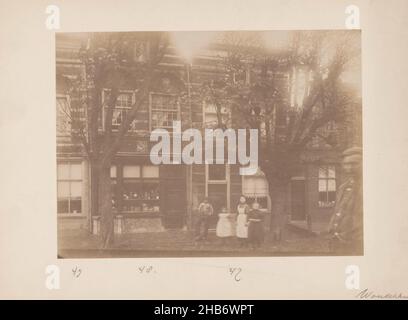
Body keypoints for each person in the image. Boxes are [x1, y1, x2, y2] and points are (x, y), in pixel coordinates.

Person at [327, 147, 363, 254]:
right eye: (346, 164)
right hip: (337, 243)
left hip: (356, 245)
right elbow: (338, 210)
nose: (349, 168)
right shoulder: (343, 187)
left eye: (354, 164)